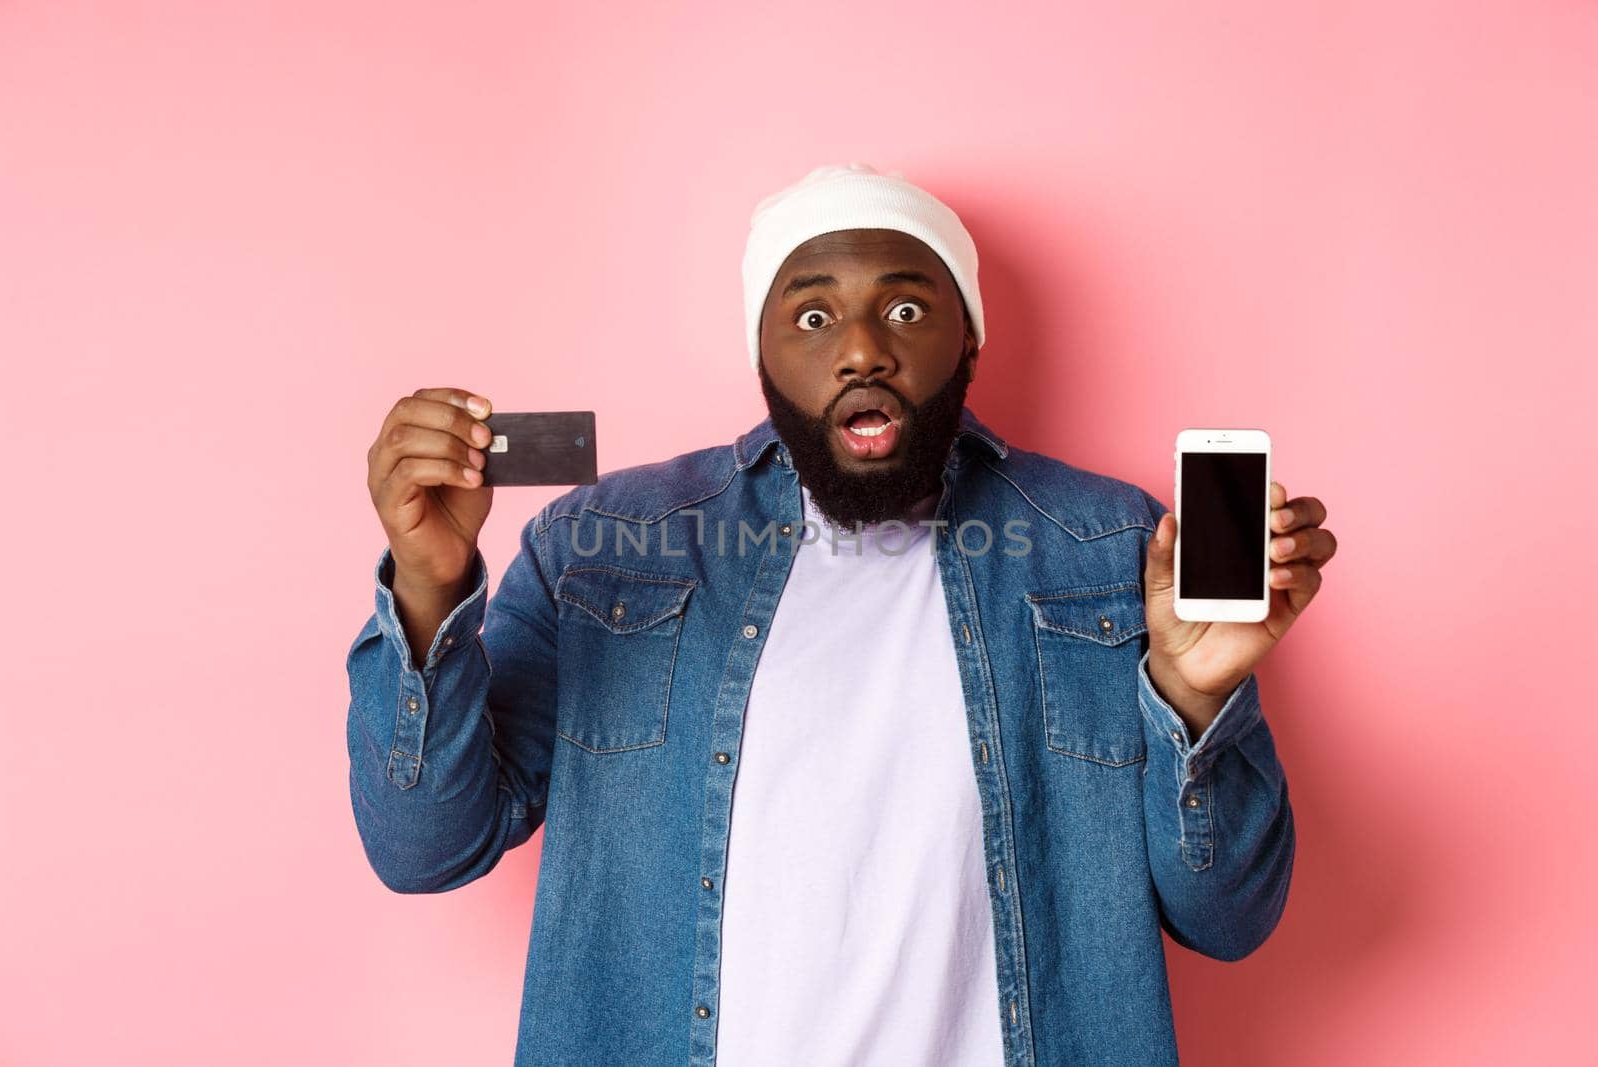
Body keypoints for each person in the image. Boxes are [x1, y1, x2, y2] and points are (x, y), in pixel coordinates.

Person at [348, 162, 1335, 1067]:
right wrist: (429, 588)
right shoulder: (607, 545)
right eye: (812, 319)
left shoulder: (1111, 546)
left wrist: (1196, 697)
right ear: (762, 357)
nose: (863, 348)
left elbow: (1229, 916)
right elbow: (424, 845)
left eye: (906, 306)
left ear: (971, 338)